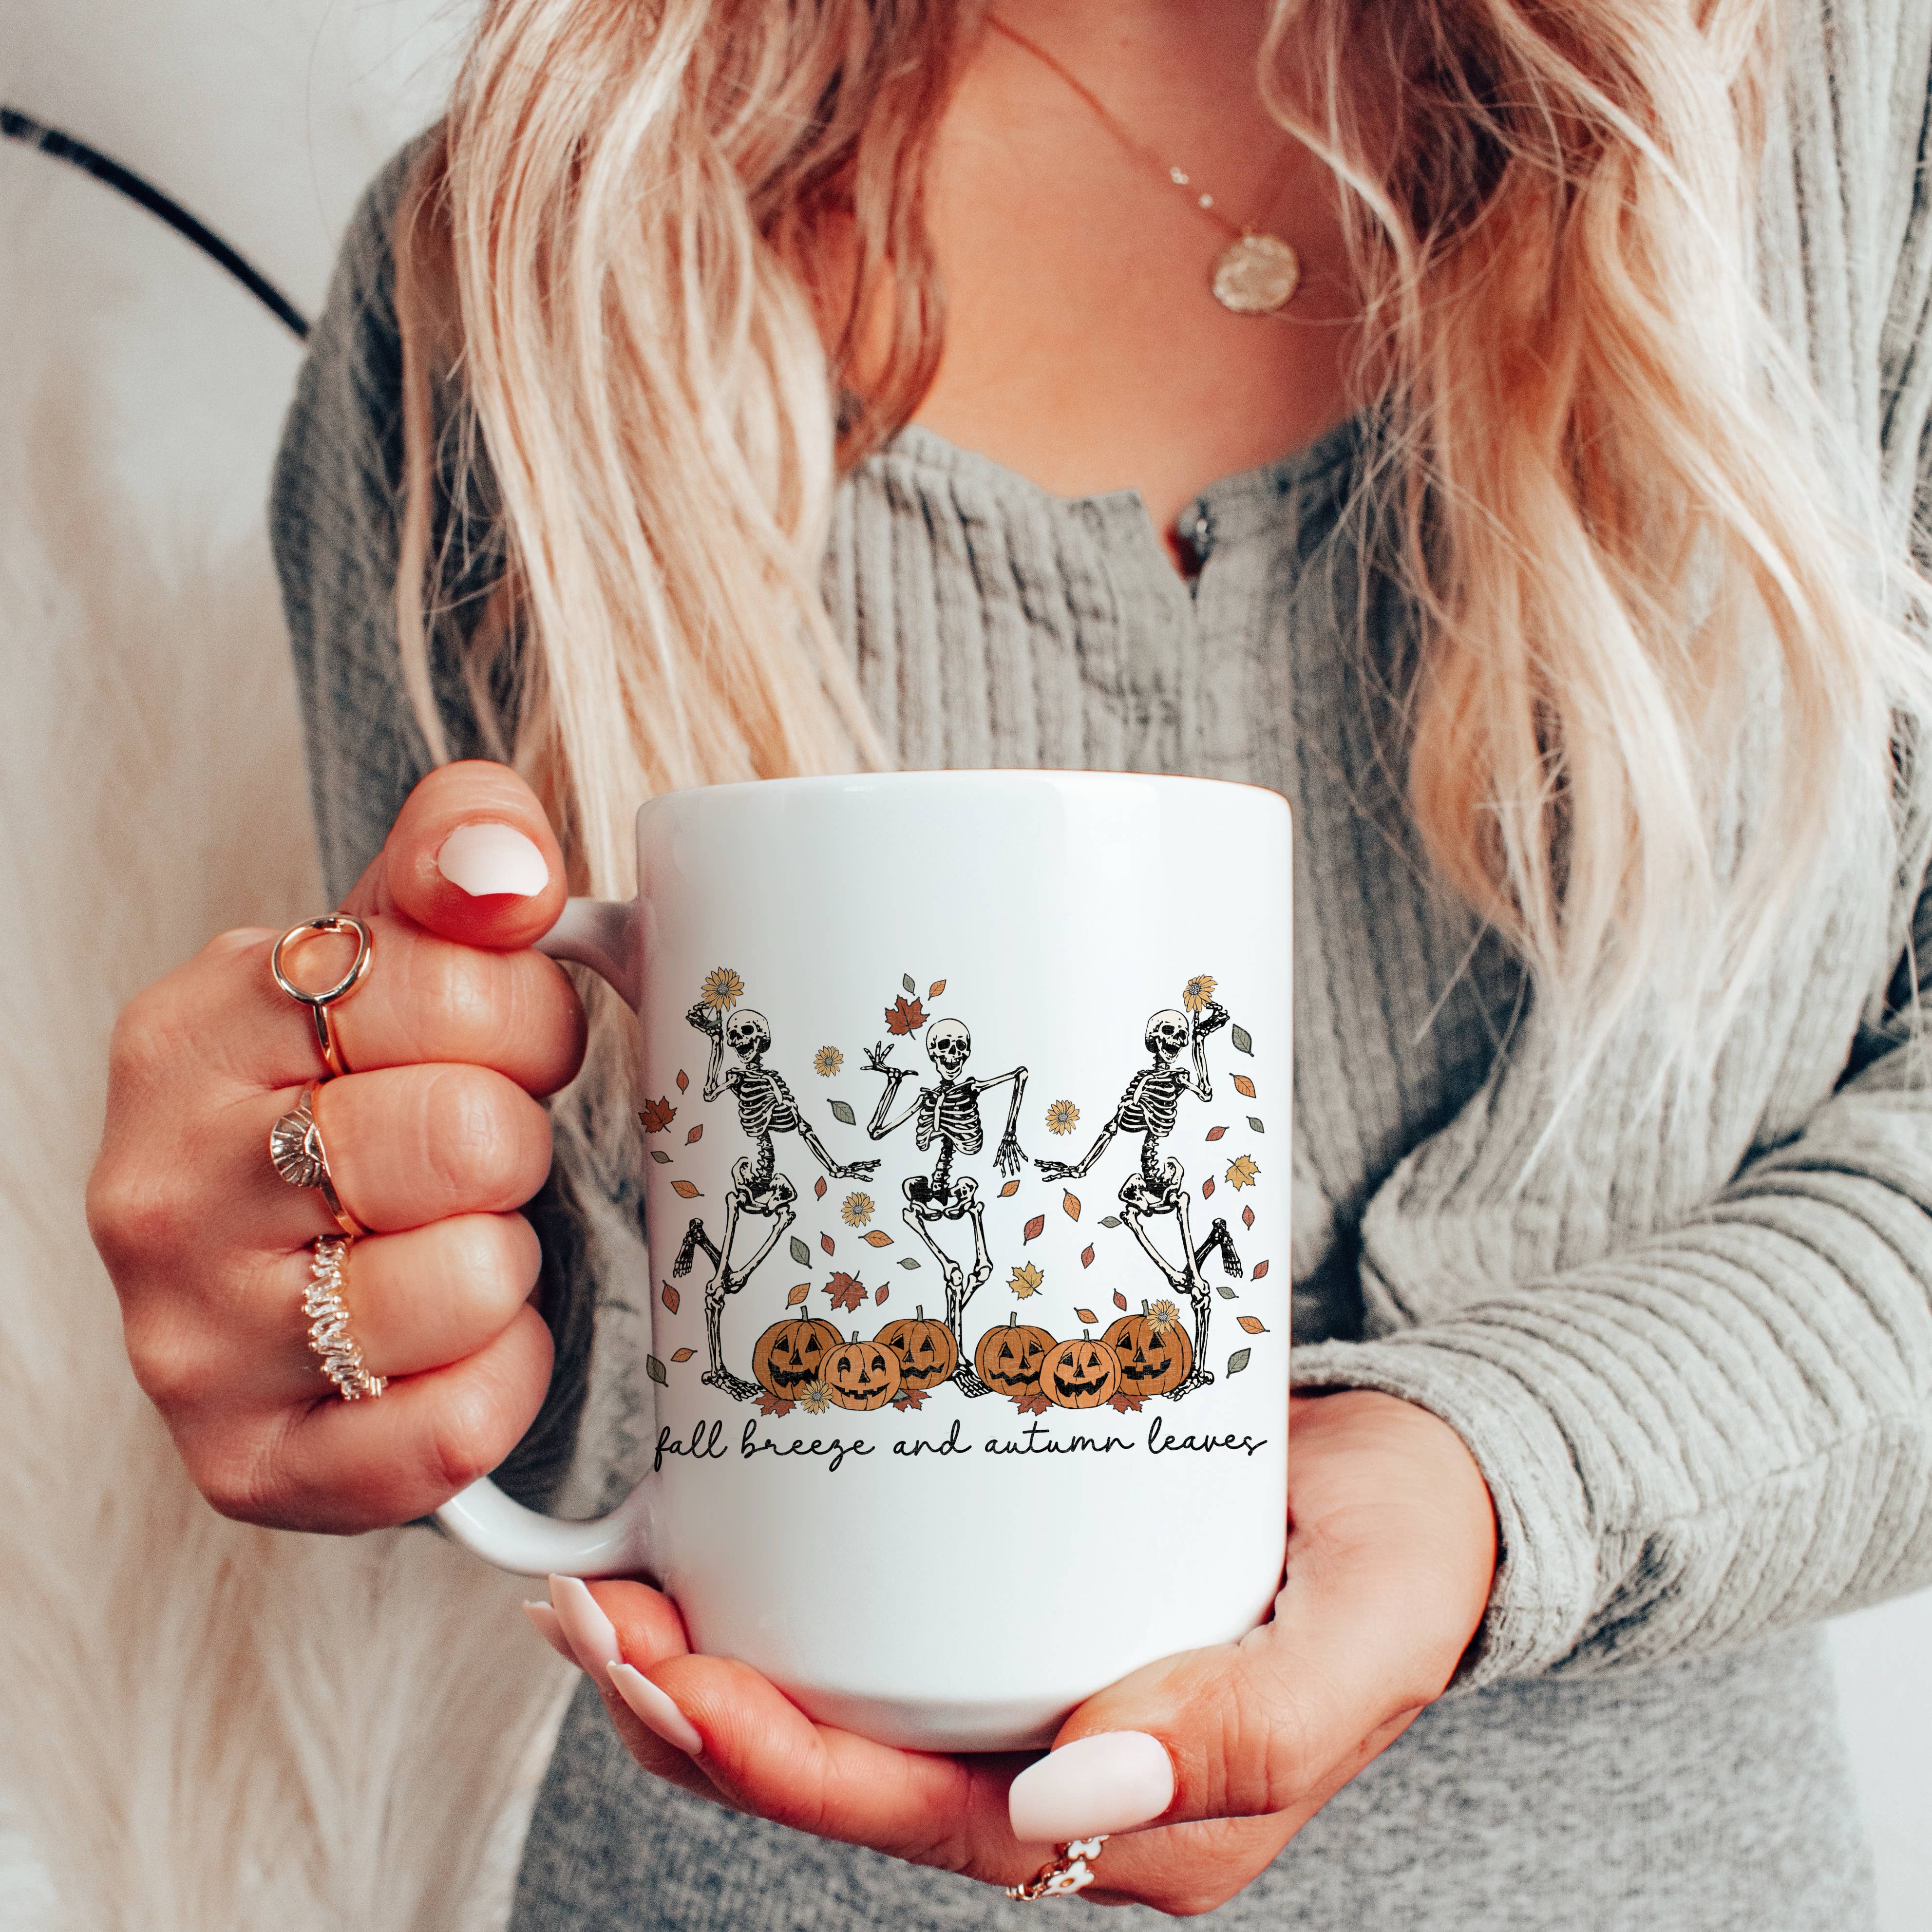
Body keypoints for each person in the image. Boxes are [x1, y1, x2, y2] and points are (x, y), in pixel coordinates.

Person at [87, 0, 1932, 1924]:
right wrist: (357, 1273)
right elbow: (607, 1384)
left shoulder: (1853, 103)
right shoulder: (524, 247)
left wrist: (1496, 1468)